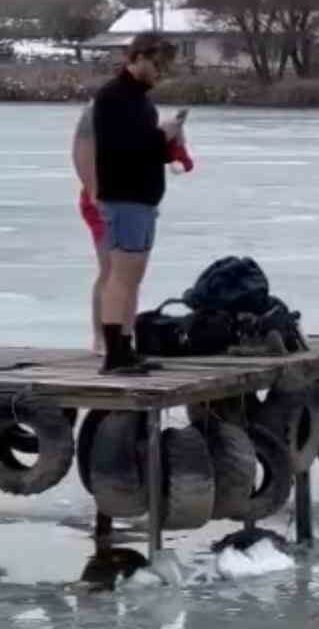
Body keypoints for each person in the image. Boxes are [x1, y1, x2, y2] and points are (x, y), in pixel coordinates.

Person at [93, 32, 183, 374]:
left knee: (132, 277)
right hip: (125, 197)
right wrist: (163, 134)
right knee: (121, 276)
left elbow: (146, 150)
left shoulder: (141, 101)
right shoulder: (114, 97)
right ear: (139, 58)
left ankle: (125, 347)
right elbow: (125, 148)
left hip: (141, 198)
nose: (161, 72)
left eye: (165, 67)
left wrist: (169, 141)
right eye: (157, 64)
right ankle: (114, 353)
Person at [71, 102, 109, 355]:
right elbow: (80, 153)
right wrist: (95, 192)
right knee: (109, 269)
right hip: (101, 201)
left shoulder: (135, 106)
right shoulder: (95, 110)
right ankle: (100, 337)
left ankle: (118, 335)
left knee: (123, 274)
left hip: (127, 201)